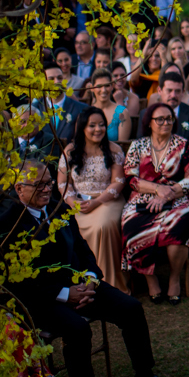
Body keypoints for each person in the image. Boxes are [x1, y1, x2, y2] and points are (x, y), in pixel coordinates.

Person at [0, 160, 180, 377]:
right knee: (78, 330)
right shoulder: (5, 225)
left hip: (80, 283)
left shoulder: (59, 208)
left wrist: (90, 280)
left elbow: (82, 250)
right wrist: (64, 294)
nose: (47, 189)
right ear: (19, 188)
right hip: (41, 298)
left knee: (131, 308)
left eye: (49, 182)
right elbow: (15, 282)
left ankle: (144, 375)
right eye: (40, 185)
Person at [122, 103, 189, 305]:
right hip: (142, 199)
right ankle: (151, 278)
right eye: (160, 119)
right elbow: (131, 178)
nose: (165, 122)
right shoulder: (137, 146)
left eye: (169, 118)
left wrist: (167, 194)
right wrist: (156, 190)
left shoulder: (183, 145)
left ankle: (174, 278)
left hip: (178, 199)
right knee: (132, 225)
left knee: (180, 223)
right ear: (150, 122)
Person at [57, 106, 128, 295]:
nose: (98, 129)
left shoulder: (113, 150)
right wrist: (73, 202)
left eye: (102, 125)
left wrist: (97, 202)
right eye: (92, 125)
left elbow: (118, 182)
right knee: (69, 227)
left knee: (102, 226)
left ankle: (110, 283)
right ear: (82, 128)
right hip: (78, 202)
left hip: (108, 200)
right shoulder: (70, 151)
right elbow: (63, 183)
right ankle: (79, 284)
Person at [137, 71, 189, 142]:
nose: (173, 95)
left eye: (177, 91)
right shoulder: (146, 114)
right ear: (159, 90)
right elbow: (140, 143)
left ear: (183, 92)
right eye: (169, 90)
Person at [39, 62, 90, 146]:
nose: (57, 82)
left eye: (60, 78)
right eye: (51, 79)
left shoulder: (81, 109)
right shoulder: (35, 109)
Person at [88, 68, 131, 142]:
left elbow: (122, 146)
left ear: (112, 86)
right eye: (99, 86)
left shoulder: (122, 113)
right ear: (92, 88)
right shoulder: (86, 112)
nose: (103, 90)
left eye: (107, 85)